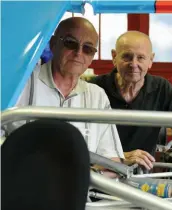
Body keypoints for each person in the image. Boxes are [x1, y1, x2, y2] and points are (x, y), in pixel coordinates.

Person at [90, 31, 172, 170]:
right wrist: (121, 157)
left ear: (151, 60)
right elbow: (82, 142)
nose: (134, 64)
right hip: (100, 173)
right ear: (114, 57)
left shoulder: (161, 88)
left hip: (141, 174)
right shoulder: (94, 88)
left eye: (141, 58)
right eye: (127, 57)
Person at [3, 17, 124, 166]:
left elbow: (111, 161)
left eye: (88, 48)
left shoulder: (97, 96)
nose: (78, 53)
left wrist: (82, 181)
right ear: (53, 44)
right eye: (70, 43)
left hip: (80, 187)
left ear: (92, 56)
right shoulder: (20, 84)